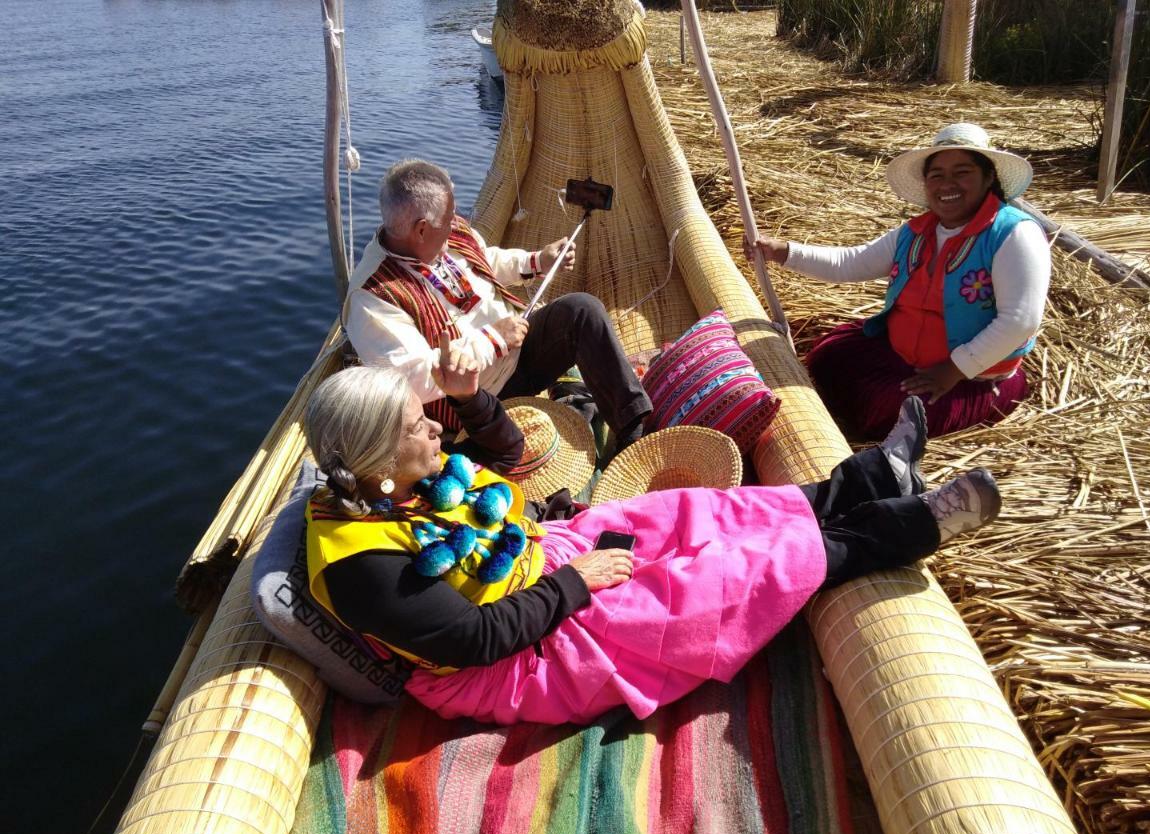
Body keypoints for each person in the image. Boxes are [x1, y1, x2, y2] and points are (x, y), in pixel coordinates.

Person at [300, 351, 1002, 727]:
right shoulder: (363, 566)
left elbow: (485, 524)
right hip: (519, 657)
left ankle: (873, 476)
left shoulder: (393, 485)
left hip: (542, 566)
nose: (431, 425)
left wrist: (551, 528)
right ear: (370, 456)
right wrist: (577, 583)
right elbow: (472, 641)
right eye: (411, 425)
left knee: (688, 514)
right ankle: (909, 527)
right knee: (708, 582)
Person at [749, 123, 1051, 440]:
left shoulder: (1013, 233)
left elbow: (1020, 321)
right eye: (937, 175)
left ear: (988, 178)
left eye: (962, 172)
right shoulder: (917, 232)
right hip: (902, 354)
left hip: (969, 376)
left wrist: (952, 370)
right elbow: (851, 263)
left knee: (888, 414)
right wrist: (782, 252)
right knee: (828, 356)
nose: (948, 184)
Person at [343, 158, 652, 452]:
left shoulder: (447, 234)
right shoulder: (373, 296)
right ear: (421, 229)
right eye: (449, 220)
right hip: (479, 399)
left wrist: (536, 261)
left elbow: (484, 260)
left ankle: (634, 433)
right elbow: (413, 378)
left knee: (582, 311)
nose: (456, 224)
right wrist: (494, 339)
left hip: (519, 346)